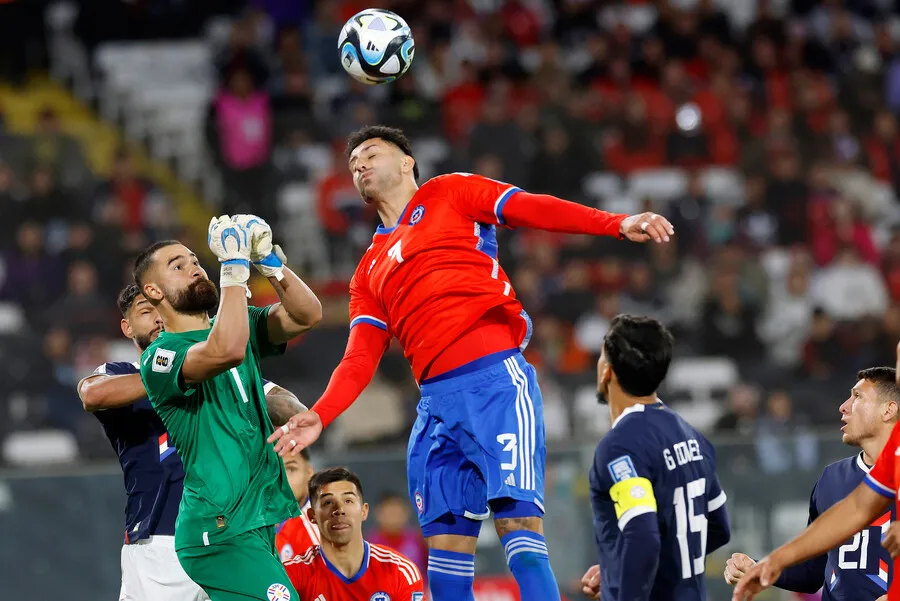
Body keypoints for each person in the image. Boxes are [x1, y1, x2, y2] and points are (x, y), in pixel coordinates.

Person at [270, 125, 675, 601]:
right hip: (435, 408)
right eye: (353, 159)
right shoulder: (367, 271)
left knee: (520, 526)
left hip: (494, 384)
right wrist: (321, 414)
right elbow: (360, 357)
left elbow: (532, 207)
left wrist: (616, 223)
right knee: (446, 549)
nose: (359, 163)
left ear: (407, 163)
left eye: (371, 153)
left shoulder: (450, 192)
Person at [78, 284, 307, 601]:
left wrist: (301, 415)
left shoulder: (220, 372)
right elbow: (92, 393)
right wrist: (171, 369)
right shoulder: (122, 373)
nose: (158, 318)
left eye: (162, 310)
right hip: (160, 542)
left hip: (233, 532)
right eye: (146, 312)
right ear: (126, 327)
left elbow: (275, 396)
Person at [136, 214, 322, 601]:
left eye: (194, 260)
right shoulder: (161, 356)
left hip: (255, 520)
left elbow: (307, 315)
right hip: (217, 531)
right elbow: (228, 349)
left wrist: (269, 260)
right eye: (178, 265)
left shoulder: (237, 323)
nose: (194, 267)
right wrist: (234, 270)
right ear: (153, 291)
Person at [580, 314, 731, 601]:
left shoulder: (619, 446)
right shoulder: (692, 436)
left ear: (607, 371)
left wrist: (627, 586)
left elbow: (642, 535)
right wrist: (619, 568)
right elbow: (718, 528)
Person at [724, 367, 900, 601]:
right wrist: (763, 566)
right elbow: (813, 572)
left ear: (888, 410)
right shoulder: (831, 478)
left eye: (857, 397)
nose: (844, 406)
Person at [282, 467, 425, 601]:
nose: (339, 510)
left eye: (348, 500)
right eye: (328, 502)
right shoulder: (291, 575)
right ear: (312, 515)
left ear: (364, 511)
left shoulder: (399, 571)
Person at [367, 492, 428, 582]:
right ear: (378, 514)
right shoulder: (369, 545)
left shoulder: (419, 540)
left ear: (406, 513)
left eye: (397, 513)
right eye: (389, 513)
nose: (393, 518)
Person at [275, 446, 320, 562]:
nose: (282, 479)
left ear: (309, 473)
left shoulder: (318, 530)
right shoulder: (247, 524)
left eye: (290, 469)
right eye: (274, 470)